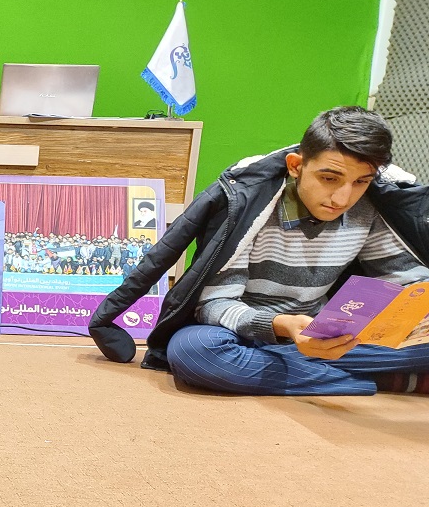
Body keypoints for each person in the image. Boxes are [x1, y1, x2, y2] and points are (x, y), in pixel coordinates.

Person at [90, 106, 429, 396]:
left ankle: (320, 372)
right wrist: (283, 325)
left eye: (361, 182)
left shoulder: (369, 209)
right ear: (296, 166)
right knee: (194, 352)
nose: (342, 198)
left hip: (324, 335)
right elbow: (215, 303)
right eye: (329, 178)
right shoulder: (253, 206)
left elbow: (405, 282)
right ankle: (384, 380)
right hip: (238, 332)